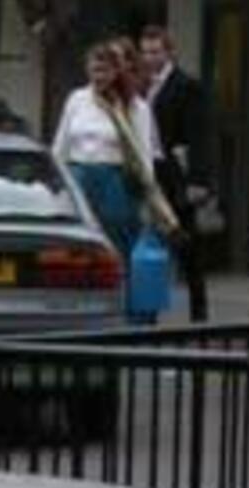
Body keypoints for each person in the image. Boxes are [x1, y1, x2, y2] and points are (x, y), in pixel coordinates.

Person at [51, 42, 171, 314]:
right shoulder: (77, 99)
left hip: (116, 182)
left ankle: (129, 311)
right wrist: (58, 184)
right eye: (93, 69)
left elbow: (143, 154)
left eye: (104, 70)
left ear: (117, 71)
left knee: (118, 248)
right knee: (82, 249)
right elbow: (61, 144)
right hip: (81, 178)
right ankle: (85, 310)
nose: (98, 76)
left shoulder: (135, 106)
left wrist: (148, 196)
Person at [137, 24, 217, 322]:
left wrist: (199, 180)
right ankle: (147, 312)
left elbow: (201, 136)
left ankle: (199, 313)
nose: (149, 57)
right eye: (145, 52)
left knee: (187, 246)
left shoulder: (187, 86)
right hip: (149, 172)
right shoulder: (140, 85)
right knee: (149, 244)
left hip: (177, 175)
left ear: (169, 52)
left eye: (155, 51)